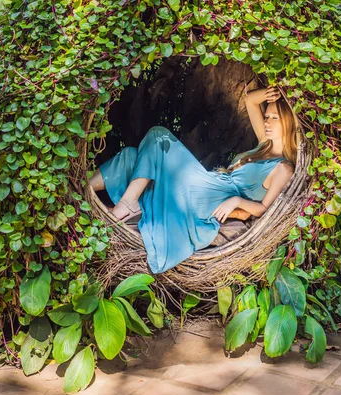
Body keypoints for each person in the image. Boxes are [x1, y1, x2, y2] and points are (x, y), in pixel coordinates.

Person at [89, 84, 298, 274]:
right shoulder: (264, 144)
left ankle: (128, 203)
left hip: (214, 196)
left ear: (288, 123)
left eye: (275, 118)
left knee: (158, 135)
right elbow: (250, 100)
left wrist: (237, 201)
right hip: (210, 183)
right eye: (267, 117)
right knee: (132, 157)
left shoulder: (283, 168)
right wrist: (269, 95)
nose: (267, 122)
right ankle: (84, 189)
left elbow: (264, 208)